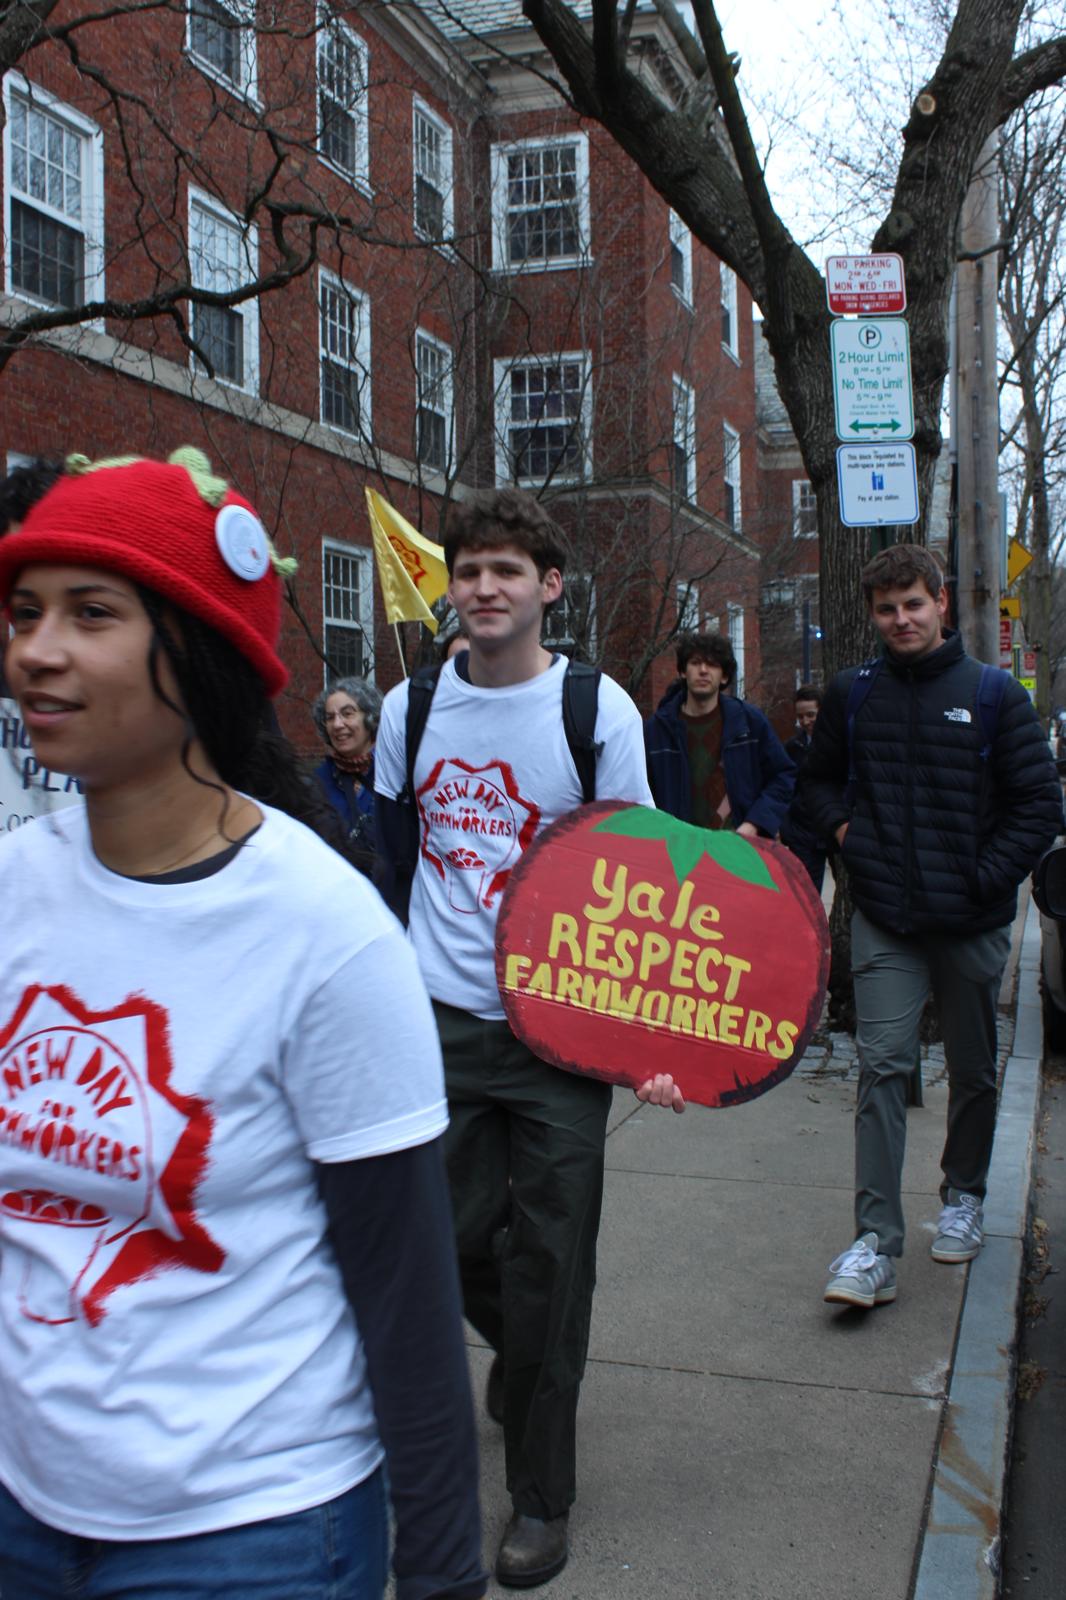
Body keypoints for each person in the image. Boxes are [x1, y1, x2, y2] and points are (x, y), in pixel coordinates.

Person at [0, 448, 486, 1600]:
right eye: (23, 611)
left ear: (198, 649)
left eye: (91, 612)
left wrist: (441, 1570)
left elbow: (407, 1290)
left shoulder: (326, 932)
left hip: (256, 1534)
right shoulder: (14, 883)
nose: (35, 650)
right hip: (22, 1510)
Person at [374, 486, 682, 1590]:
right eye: (468, 570)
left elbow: (642, 879)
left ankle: (541, 1499)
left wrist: (652, 1040)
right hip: (442, 1020)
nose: (484, 587)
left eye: (506, 570)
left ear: (549, 587)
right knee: (443, 1243)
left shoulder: (596, 711)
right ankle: (524, 1346)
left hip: (560, 1037)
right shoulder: (411, 709)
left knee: (552, 1264)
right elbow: (393, 861)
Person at [801, 543, 1062, 1310]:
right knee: (881, 1066)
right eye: (886, 609)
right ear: (872, 615)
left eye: (913, 604)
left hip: (970, 921)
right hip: (886, 916)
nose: (901, 619)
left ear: (941, 603)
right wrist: (846, 835)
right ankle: (874, 1245)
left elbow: (1039, 808)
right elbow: (815, 784)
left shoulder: (991, 695)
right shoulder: (854, 694)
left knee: (974, 1069)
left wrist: (984, 877)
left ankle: (964, 1195)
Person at [644, 630, 795, 838]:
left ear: (724, 676)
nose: (703, 670)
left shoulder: (749, 723)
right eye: (695, 663)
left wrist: (754, 824)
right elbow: (639, 792)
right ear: (683, 672)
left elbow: (784, 776)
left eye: (712, 664)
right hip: (676, 847)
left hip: (737, 846)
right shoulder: (657, 730)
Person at [311, 675, 381, 869]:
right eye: (330, 717)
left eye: (347, 714)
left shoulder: (393, 773)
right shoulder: (316, 783)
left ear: (370, 718)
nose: (337, 724)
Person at [779, 683, 830, 892]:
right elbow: (784, 788)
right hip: (803, 834)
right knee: (806, 892)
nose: (805, 721)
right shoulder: (793, 747)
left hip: (831, 829)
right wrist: (788, 829)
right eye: (800, 717)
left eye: (811, 715)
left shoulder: (836, 743)